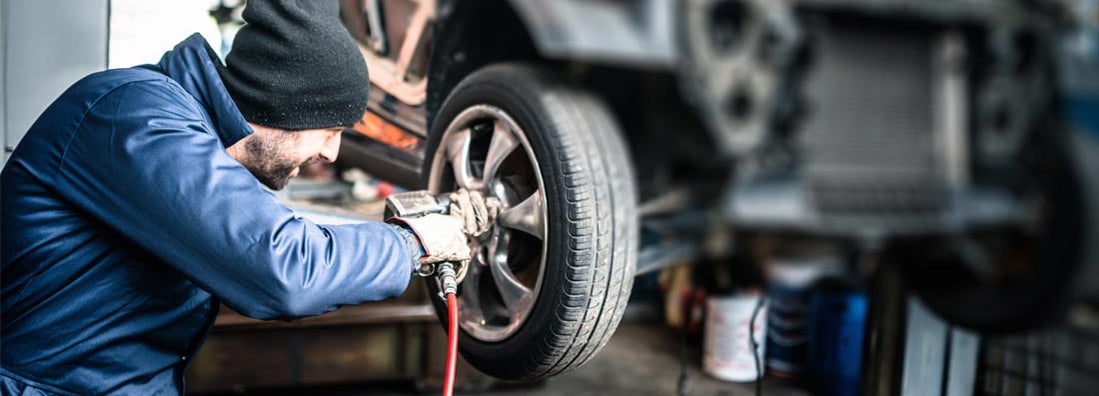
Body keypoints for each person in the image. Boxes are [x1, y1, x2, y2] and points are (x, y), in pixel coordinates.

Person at [0, 1, 483, 394]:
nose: (332, 153)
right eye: (332, 129)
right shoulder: (136, 115)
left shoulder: (191, 140)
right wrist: (411, 243)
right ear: (285, 103)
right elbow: (281, 269)